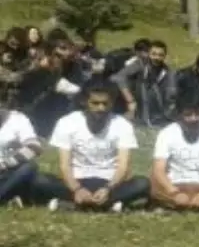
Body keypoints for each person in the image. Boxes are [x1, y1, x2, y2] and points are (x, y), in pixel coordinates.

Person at [31, 79, 150, 212]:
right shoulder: (67, 122)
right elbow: (64, 165)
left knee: (142, 183)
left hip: (109, 182)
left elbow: (123, 166)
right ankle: (107, 205)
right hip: (77, 180)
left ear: (112, 103)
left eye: (106, 103)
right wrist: (77, 189)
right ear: (84, 102)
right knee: (39, 179)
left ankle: (71, 204)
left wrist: (107, 189)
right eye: (95, 103)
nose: (101, 108)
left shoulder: (122, 125)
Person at [113, 39, 176, 127]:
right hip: (138, 109)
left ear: (165, 56)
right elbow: (118, 77)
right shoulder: (140, 65)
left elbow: (171, 95)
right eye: (154, 54)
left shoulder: (168, 72)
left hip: (159, 114)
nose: (156, 58)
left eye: (160, 55)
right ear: (149, 54)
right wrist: (130, 100)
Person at [0, 92, 41, 207]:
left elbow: (34, 147)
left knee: (30, 167)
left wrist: (5, 164)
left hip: (7, 171)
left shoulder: (17, 119)